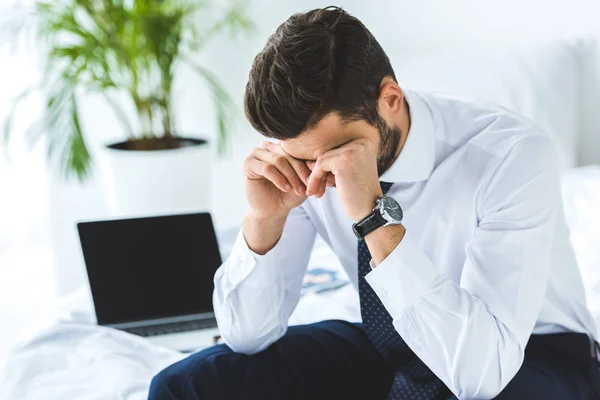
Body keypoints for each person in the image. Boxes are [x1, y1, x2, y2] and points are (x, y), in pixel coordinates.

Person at [149, 6, 600, 400]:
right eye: (303, 155)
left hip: (524, 353)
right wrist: (262, 221)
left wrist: (373, 216)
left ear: (390, 99)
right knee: (183, 386)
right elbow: (247, 337)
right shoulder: (303, 155)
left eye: (337, 151)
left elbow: (482, 375)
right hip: (391, 342)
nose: (318, 169)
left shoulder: (511, 154)